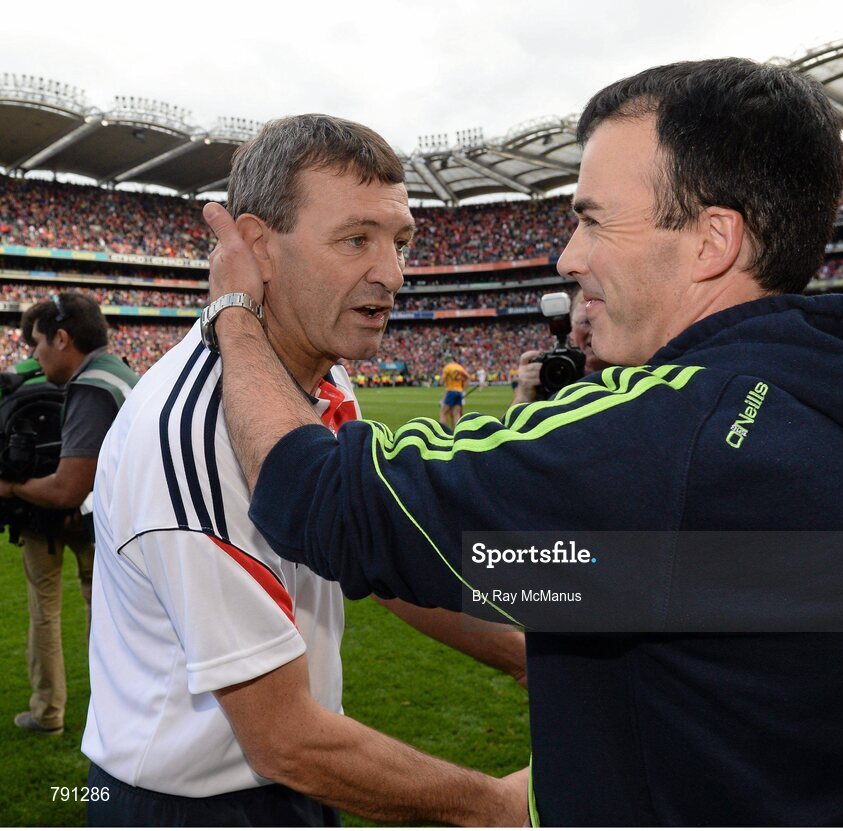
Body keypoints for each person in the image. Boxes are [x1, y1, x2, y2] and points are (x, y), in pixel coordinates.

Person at [203, 60, 843, 825]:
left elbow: (321, 497)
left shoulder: (676, 436)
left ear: (712, 241)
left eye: (594, 219)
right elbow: (618, 577)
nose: (569, 256)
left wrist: (235, 308)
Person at [82, 114, 527, 826]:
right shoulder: (194, 433)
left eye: (399, 241)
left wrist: (522, 653)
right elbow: (283, 736)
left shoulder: (325, 376)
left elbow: (362, 546)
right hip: (191, 805)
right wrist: (496, 806)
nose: (392, 273)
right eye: (356, 239)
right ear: (258, 248)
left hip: (297, 779)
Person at [0, 292, 138, 737]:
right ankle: (115, 711)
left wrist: (11, 486)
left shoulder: (91, 385)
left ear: (62, 338)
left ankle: (54, 714)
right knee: (106, 614)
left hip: (93, 520)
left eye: (39, 344)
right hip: (110, 524)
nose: (35, 356)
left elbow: (66, 488)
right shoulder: (118, 372)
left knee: (50, 613)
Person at [512, 289, 611, 405]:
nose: (593, 332)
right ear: (571, 328)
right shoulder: (550, 373)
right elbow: (511, 424)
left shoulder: (633, 375)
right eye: (586, 322)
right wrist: (523, 397)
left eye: (604, 322)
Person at [439, 355, 470, 427]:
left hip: (451, 391)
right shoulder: (459, 367)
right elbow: (468, 377)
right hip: (459, 392)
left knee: (443, 413)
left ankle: (443, 431)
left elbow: (442, 381)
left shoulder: (447, 367)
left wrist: (441, 382)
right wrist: (464, 388)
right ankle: (457, 431)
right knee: (456, 413)